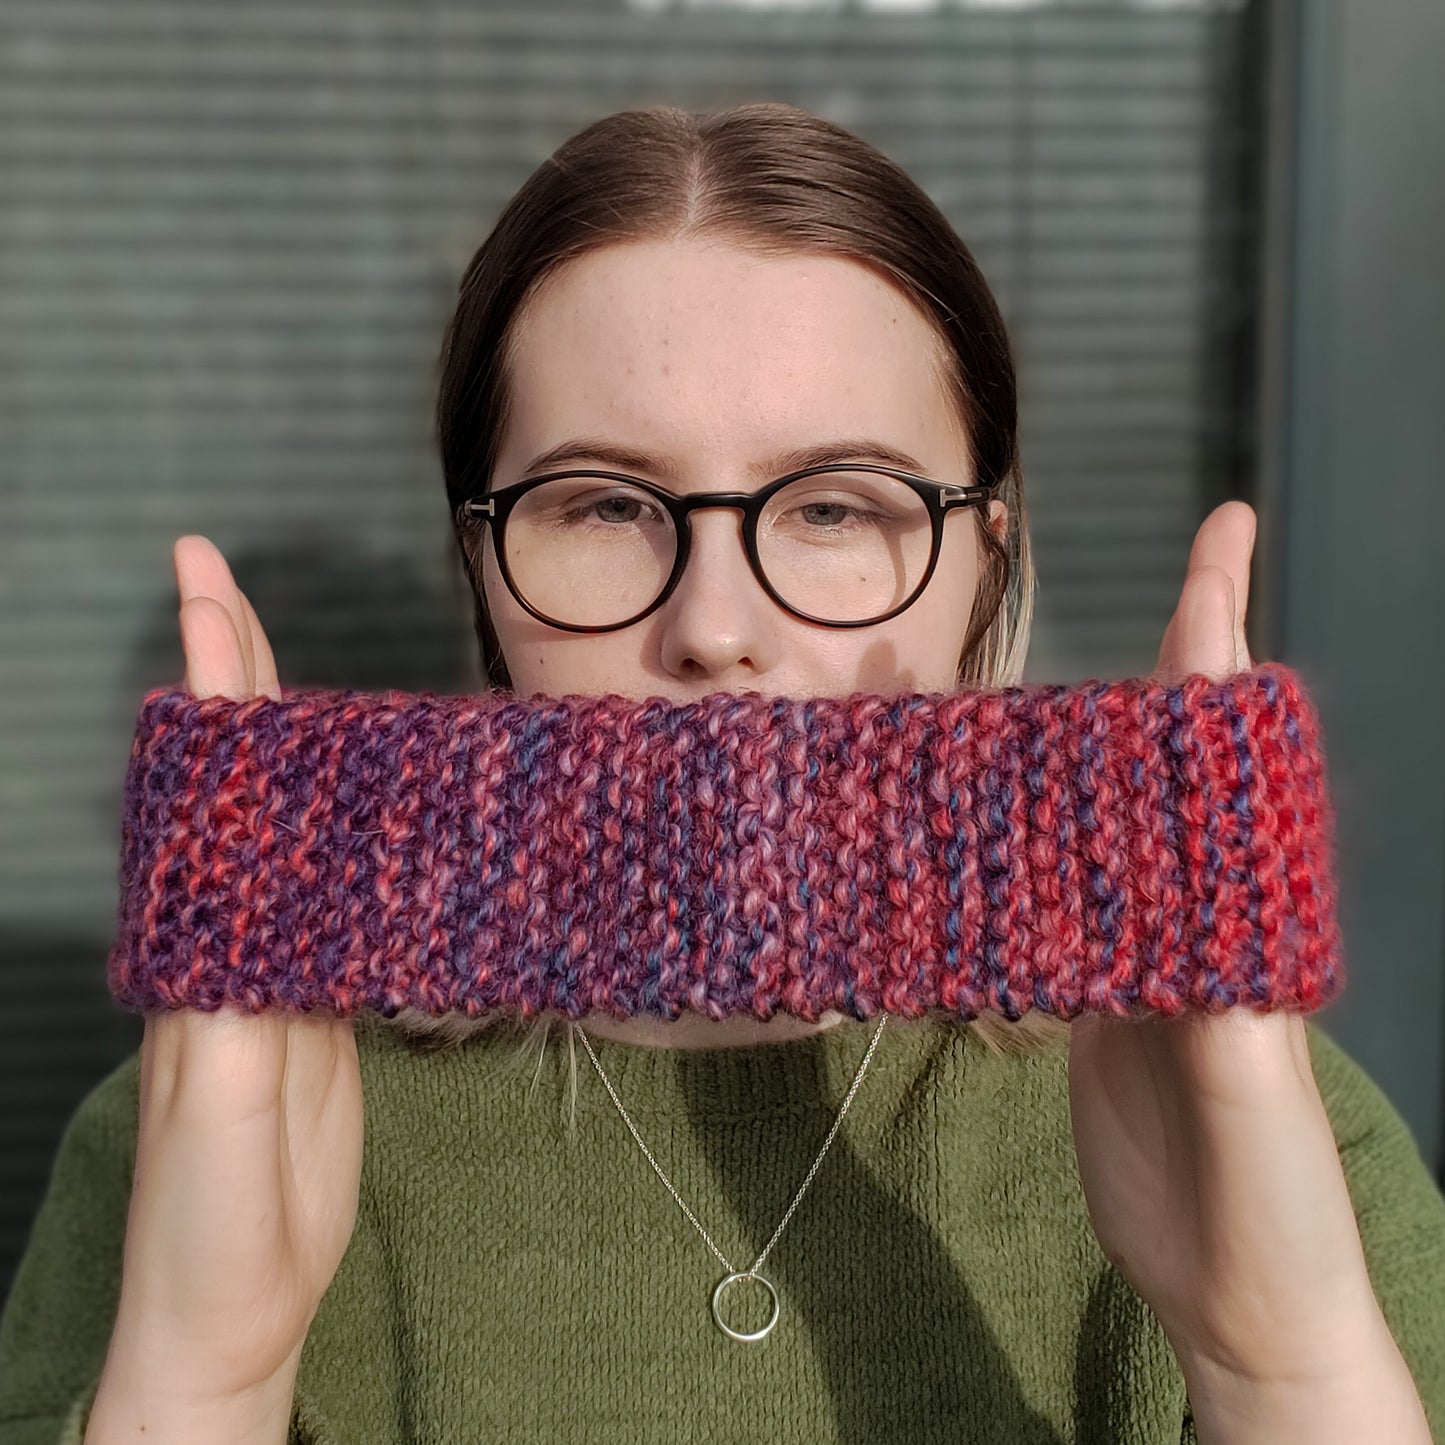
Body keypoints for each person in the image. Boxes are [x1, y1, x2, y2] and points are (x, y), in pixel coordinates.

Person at [2, 101, 1443, 1445]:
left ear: (985, 548)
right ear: (477, 560)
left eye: (831, 505)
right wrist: (209, 1370)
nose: (714, 628)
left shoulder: (1244, 1120)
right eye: (606, 504)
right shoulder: (206, 1134)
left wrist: (1280, 1358)